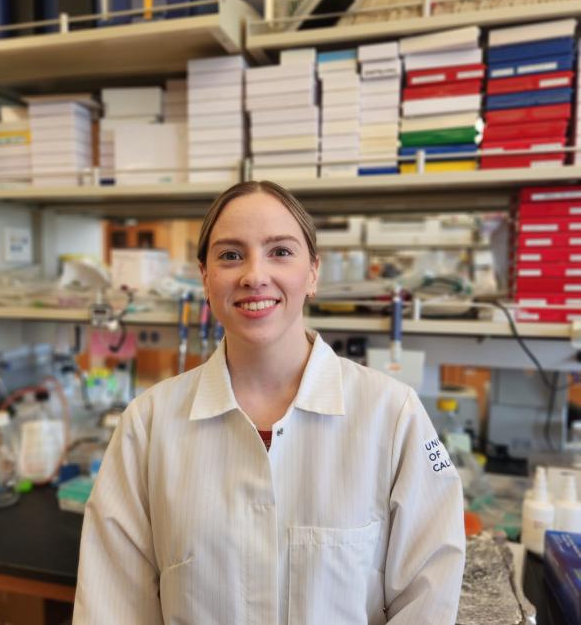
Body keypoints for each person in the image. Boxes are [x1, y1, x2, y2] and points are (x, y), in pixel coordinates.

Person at [73, 180, 465, 624]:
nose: (254, 275)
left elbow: (428, 599)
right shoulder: (148, 424)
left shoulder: (392, 415)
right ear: (205, 276)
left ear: (313, 272)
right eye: (230, 255)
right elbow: (112, 606)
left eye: (280, 251)